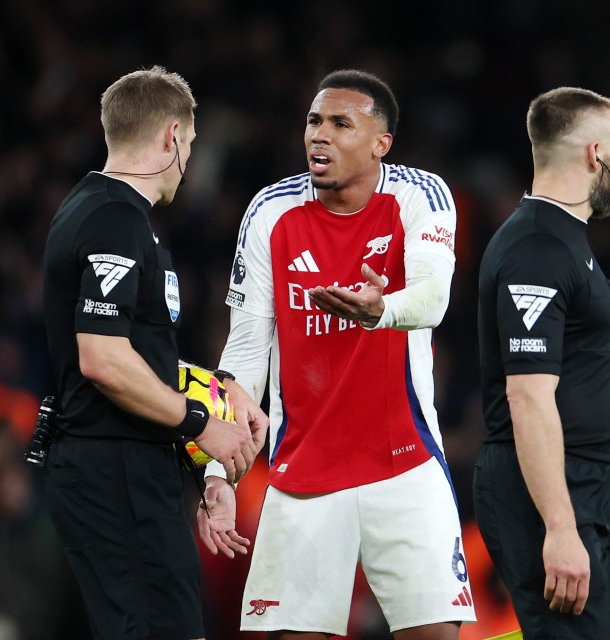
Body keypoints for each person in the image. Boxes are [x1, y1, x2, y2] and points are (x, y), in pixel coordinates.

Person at [198, 69, 476, 640]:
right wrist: (217, 472)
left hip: (404, 465)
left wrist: (381, 309)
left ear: (381, 144)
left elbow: (434, 297)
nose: (319, 135)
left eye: (340, 124)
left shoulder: (420, 195)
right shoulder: (271, 212)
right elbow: (246, 352)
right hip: (302, 475)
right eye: (313, 121)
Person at [41, 66, 267, 640]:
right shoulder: (113, 219)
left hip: (130, 469)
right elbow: (102, 359)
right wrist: (200, 426)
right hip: (114, 472)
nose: (189, 161)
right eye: (189, 144)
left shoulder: (111, 217)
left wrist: (217, 411)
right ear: (171, 135)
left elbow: (140, 359)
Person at [473, 86, 610, 639]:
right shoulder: (537, 248)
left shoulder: (565, 241)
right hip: (543, 488)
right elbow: (528, 396)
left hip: (583, 484)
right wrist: (560, 528)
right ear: (594, 154)